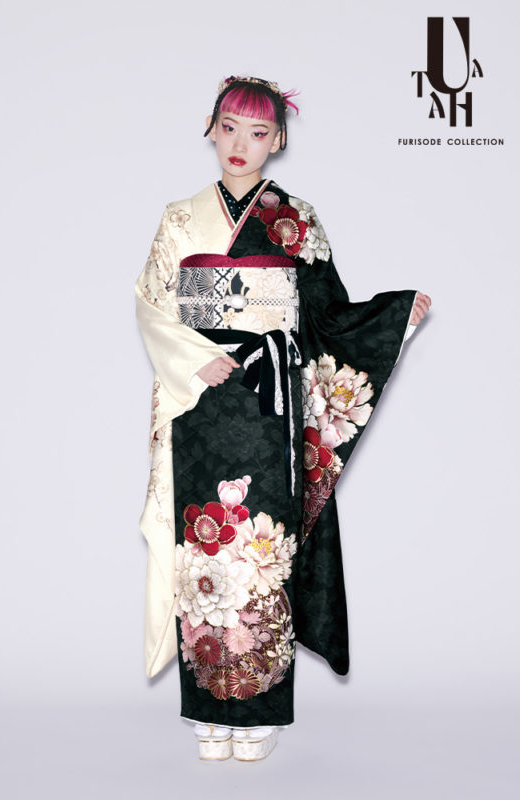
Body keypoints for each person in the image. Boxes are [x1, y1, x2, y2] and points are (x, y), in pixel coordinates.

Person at [134, 75, 432, 762]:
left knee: (263, 552)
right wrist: (192, 359)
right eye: (229, 128)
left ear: (279, 139)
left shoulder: (297, 218)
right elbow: (151, 304)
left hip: (271, 407)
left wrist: (394, 317)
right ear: (210, 128)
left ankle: (259, 711)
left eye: (258, 131)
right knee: (202, 550)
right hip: (203, 401)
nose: (240, 144)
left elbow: (328, 315)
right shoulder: (179, 219)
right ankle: (209, 712)